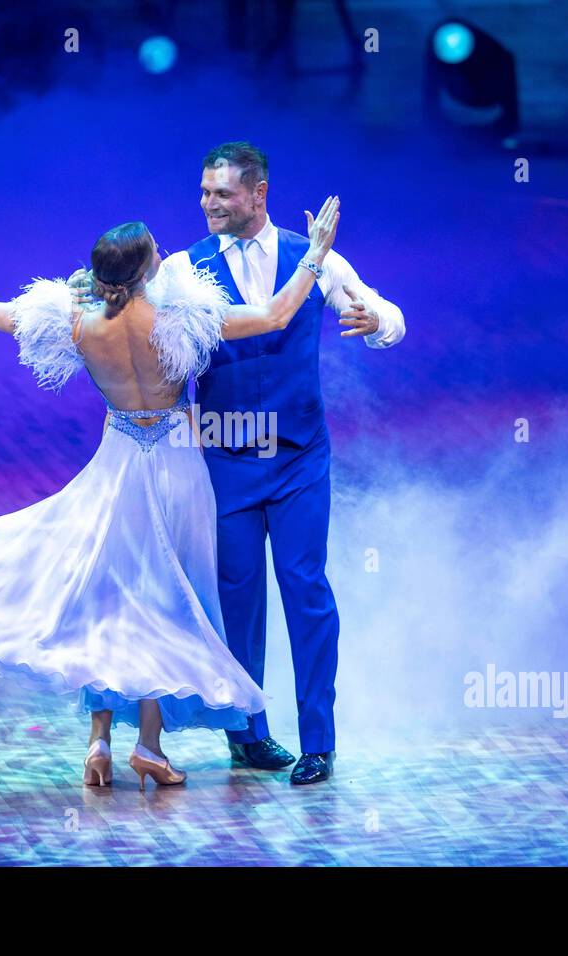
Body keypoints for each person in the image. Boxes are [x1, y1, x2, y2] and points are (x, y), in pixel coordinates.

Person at [0, 196, 340, 790]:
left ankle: (98, 743)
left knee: (108, 595)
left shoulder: (77, 320)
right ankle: (148, 745)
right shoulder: (179, 319)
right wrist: (316, 256)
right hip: (175, 469)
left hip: (117, 464)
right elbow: (274, 315)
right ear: (146, 270)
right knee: (162, 601)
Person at [168, 142, 406, 785]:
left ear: (258, 192)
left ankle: (319, 743)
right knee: (239, 600)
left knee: (306, 592)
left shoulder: (313, 256)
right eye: (204, 192)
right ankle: (247, 736)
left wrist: (374, 318)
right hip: (226, 460)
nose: (208, 204)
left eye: (221, 193)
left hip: (300, 457)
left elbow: (392, 317)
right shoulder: (182, 270)